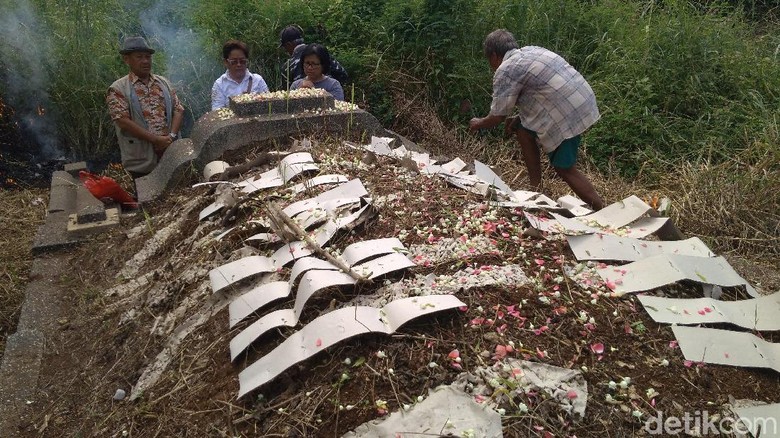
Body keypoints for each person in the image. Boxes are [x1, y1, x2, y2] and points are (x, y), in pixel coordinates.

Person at [469, 29, 605, 210]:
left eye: (489, 60)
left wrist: (478, 123)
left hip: (567, 113)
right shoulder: (533, 50)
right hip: (581, 100)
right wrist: (519, 117)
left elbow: (498, 116)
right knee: (523, 130)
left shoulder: (506, 69)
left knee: (563, 167)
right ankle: (536, 189)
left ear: (494, 55)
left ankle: (602, 210)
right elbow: (542, 92)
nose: (491, 65)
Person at [107, 36, 184, 179]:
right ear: (126, 59)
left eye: (148, 57)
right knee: (147, 197)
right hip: (141, 160)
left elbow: (178, 109)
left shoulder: (163, 82)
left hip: (170, 153)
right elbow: (122, 121)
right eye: (139, 57)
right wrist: (155, 140)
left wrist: (171, 137)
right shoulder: (118, 89)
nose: (145, 61)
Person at [279, 24, 348, 90]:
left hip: (301, 100)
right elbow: (343, 74)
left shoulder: (287, 66)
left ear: (289, 45)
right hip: (330, 98)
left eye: (285, 47)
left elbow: (286, 96)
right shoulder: (321, 54)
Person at [211, 39, 270, 110]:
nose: (239, 65)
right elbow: (217, 112)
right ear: (226, 62)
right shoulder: (220, 84)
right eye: (234, 62)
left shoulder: (258, 80)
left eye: (242, 61)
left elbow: (269, 105)